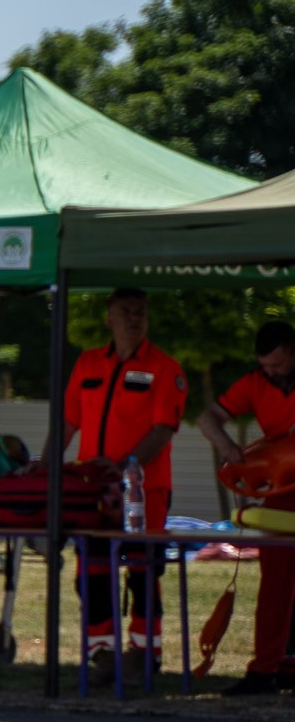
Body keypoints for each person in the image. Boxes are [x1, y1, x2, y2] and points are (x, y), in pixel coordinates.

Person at [57, 288, 185, 687]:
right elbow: (67, 423)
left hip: (146, 491)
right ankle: (102, 652)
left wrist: (124, 466)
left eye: (140, 312)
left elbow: (162, 430)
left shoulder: (165, 368)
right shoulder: (88, 363)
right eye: (126, 311)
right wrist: (45, 467)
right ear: (109, 317)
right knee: (92, 569)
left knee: (143, 569)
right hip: (92, 491)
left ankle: (145, 653)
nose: (134, 318)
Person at [199, 319, 295, 695]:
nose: (271, 372)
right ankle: (266, 669)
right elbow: (208, 418)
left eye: (278, 364)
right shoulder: (253, 383)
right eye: (265, 365)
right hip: (282, 492)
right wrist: (227, 447)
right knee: (275, 586)